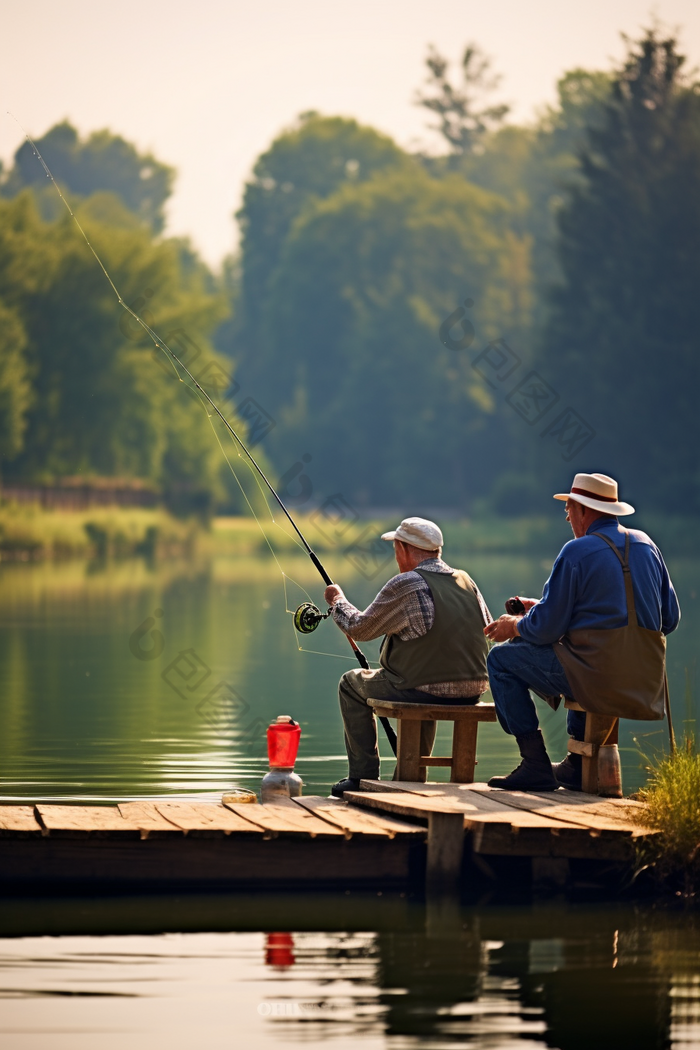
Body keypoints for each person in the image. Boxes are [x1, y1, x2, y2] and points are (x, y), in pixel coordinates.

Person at [484, 473, 680, 792]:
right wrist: (543, 607)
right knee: (577, 654)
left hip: (597, 675)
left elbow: (547, 629)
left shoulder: (576, 552)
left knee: (500, 661)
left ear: (583, 511)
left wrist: (513, 626)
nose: (568, 518)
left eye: (568, 511)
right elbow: (669, 620)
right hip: (644, 680)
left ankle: (535, 764)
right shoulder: (648, 545)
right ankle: (575, 765)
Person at [324, 516, 492, 798]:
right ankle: (410, 777)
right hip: (474, 689)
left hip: (422, 687)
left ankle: (362, 776)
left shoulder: (407, 583)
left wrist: (338, 601)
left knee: (351, 683)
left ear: (402, 548)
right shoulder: (466, 580)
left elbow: (359, 628)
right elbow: (487, 628)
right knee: (423, 682)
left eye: (396, 550)